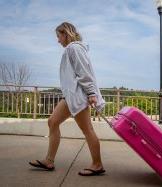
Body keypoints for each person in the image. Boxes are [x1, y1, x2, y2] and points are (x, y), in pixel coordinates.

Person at [29, 22, 106, 176]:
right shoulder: (72, 49)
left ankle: (97, 164)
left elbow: (84, 72)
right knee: (52, 121)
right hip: (70, 96)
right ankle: (49, 161)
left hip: (78, 95)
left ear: (66, 34)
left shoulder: (74, 48)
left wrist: (91, 93)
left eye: (59, 36)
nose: (58, 40)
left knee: (87, 130)